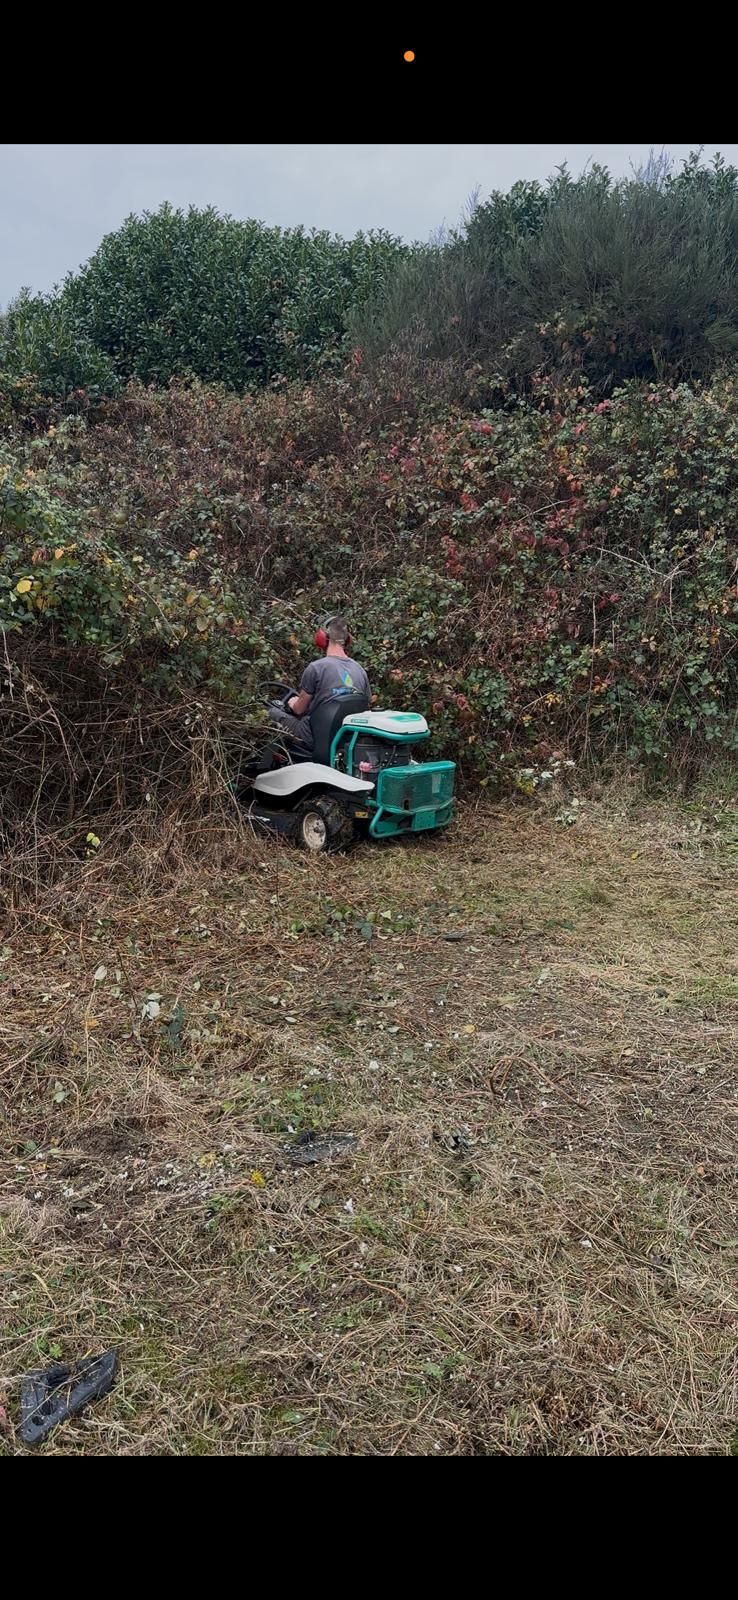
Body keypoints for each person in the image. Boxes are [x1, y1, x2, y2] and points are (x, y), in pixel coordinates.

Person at [270, 615, 370, 751]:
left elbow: (299, 709)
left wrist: (292, 703)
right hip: (345, 740)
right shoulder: (360, 670)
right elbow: (366, 706)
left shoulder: (316, 668)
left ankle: (261, 769)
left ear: (322, 638)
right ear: (348, 640)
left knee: (272, 713)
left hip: (312, 737)